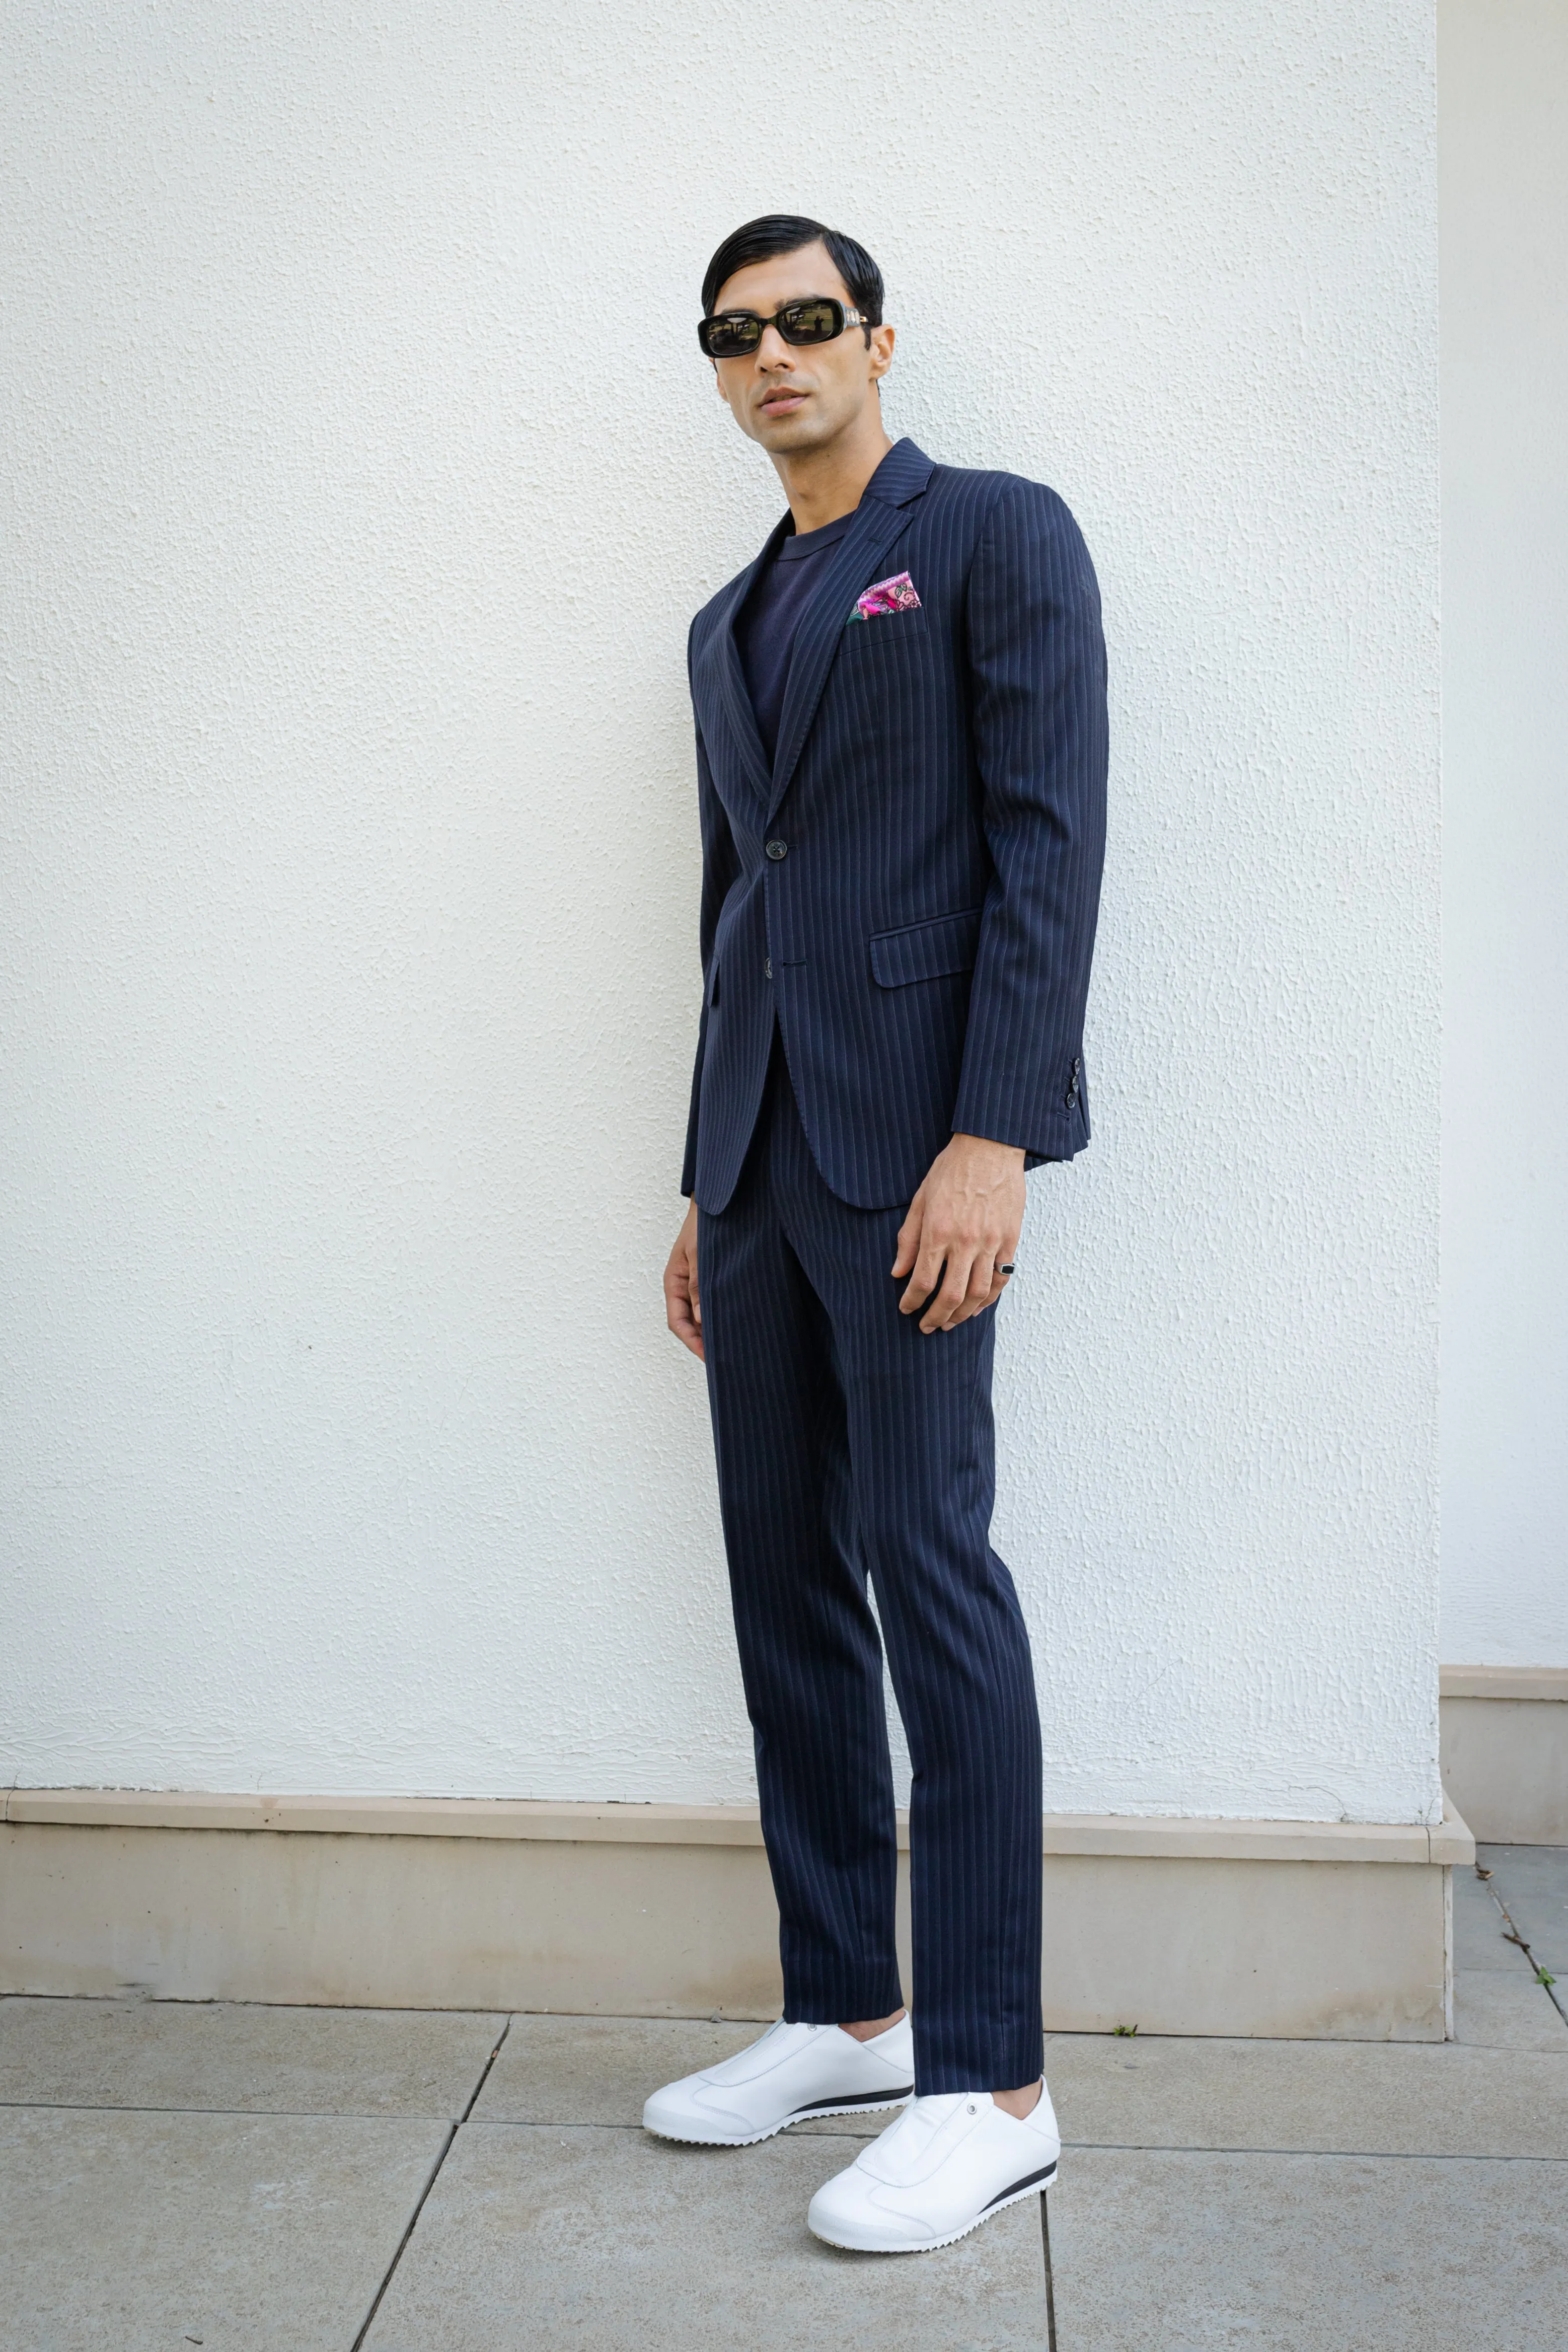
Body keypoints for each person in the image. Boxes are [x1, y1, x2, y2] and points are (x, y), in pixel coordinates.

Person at [645, 213, 1107, 2255]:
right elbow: (731, 908)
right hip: (757, 1167)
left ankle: (992, 2078)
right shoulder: (722, 617)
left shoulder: (994, 535)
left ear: (878, 337)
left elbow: (1047, 836)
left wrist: (996, 1132)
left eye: (806, 320)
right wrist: (697, 1172)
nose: (773, 357)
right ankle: (845, 1999)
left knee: (929, 1569)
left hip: (921, 1156)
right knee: (780, 1586)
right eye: (735, 335)